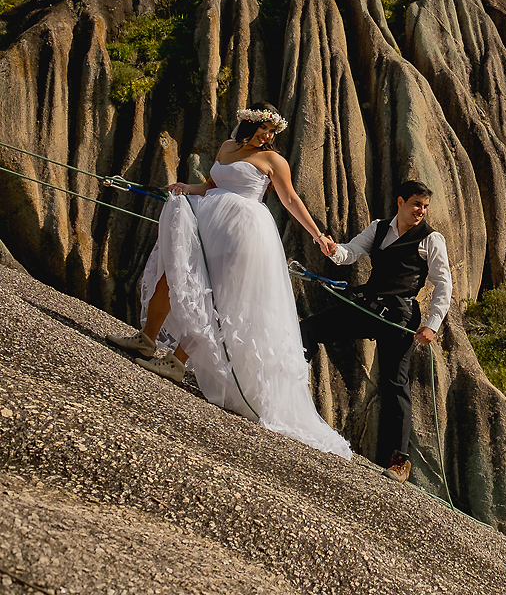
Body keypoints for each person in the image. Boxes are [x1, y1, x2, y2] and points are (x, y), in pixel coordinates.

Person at [109, 103, 351, 460]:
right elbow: (210, 184)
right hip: (208, 218)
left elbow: (289, 199)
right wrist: (186, 187)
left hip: (243, 231)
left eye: (272, 131)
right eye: (264, 128)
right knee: (174, 273)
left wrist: (318, 235)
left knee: (213, 293)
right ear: (248, 123)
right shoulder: (226, 147)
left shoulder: (274, 161)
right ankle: (147, 339)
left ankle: (176, 362)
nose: (268, 136)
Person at [300, 180, 452, 484]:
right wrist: (333, 250)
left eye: (425, 206)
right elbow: (352, 252)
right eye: (416, 204)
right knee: (308, 329)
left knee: (396, 383)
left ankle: (399, 462)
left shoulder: (432, 239)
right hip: (369, 305)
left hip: (401, 316)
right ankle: (287, 392)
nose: (421, 211)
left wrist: (432, 325)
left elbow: (443, 284)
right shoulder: (380, 228)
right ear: (400, 202)